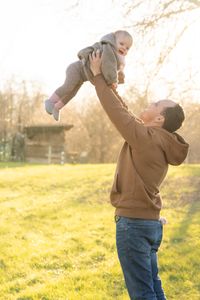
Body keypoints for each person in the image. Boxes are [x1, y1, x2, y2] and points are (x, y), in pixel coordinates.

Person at [89, 50, 189, 300]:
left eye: (155, 105)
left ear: (159, 118)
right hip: (150, 224)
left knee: (143, 292)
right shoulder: (158, 139)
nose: (149, 103)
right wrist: (112, 87)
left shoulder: (146, 139)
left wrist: (98, 77)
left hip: (133, 225)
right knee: (153, 288)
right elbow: (126, 114)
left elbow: (117, 114)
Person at [45, 30, 133, 121]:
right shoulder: (108, 49)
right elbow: (109, 67)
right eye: (121, 44)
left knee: (72, 93)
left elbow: (113, 70)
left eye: (127, 48)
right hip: (77, 69)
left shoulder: (116, 57)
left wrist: (120, 72)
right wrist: (113, 81)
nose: (124, 48)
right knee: (68, 87)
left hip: (82, 77)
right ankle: (50, 101)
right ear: (114, 41)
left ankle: (57, 107)